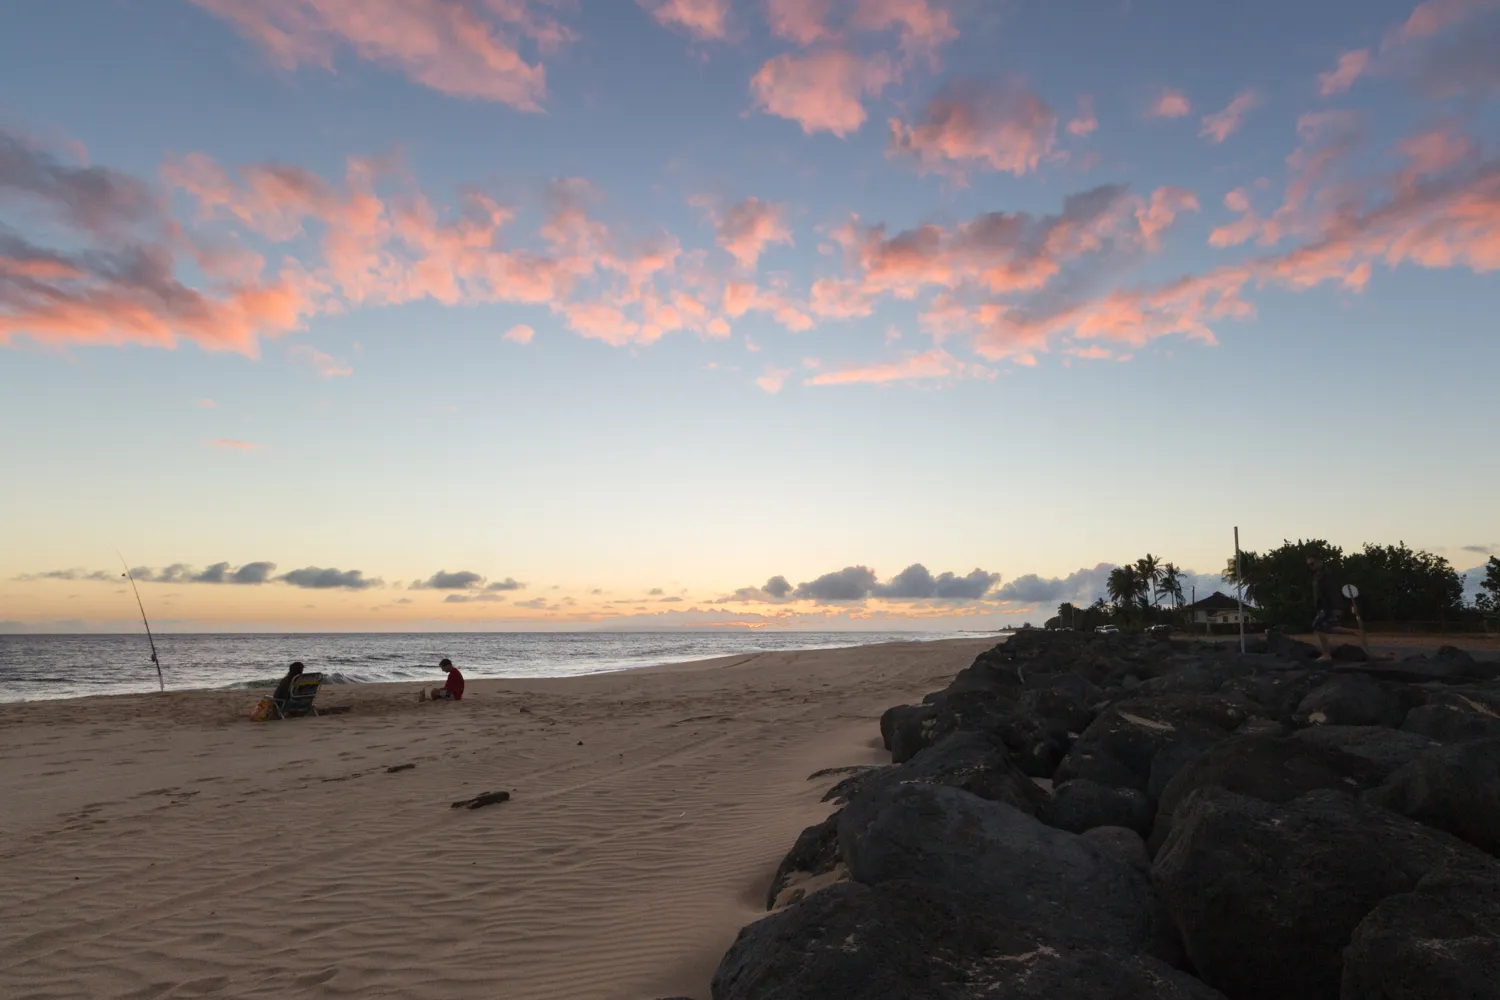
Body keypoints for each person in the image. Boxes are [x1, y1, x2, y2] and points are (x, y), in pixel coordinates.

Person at [1308, 556, 1367, 658]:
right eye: (1309, 565)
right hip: (1322, 607)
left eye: (1312, 564)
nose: (1310, 566)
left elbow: (1333, 593)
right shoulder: (1317, 577)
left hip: (1328, 607)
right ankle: (1355, 632)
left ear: (1320, 562)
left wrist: (1337, 608)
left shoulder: (1326, 576)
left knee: (1318, 627)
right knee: (1328, 627)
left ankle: (1326, 654)